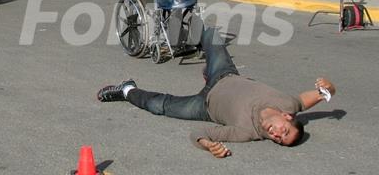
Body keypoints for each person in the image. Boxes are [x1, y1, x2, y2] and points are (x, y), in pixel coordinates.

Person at [97, 27, 336, 157]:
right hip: (225, 75)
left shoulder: (247, 133)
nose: (276, 135)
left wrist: (208, 144)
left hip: (205, 105)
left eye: (279, 141)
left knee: (159, 106)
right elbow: (322, 94)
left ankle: (126, 89)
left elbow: (200, 131)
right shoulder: (289, 104)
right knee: (211, 34)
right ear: (287, 117)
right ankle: (184, 38)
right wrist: (329, 87)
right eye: (284, 132)